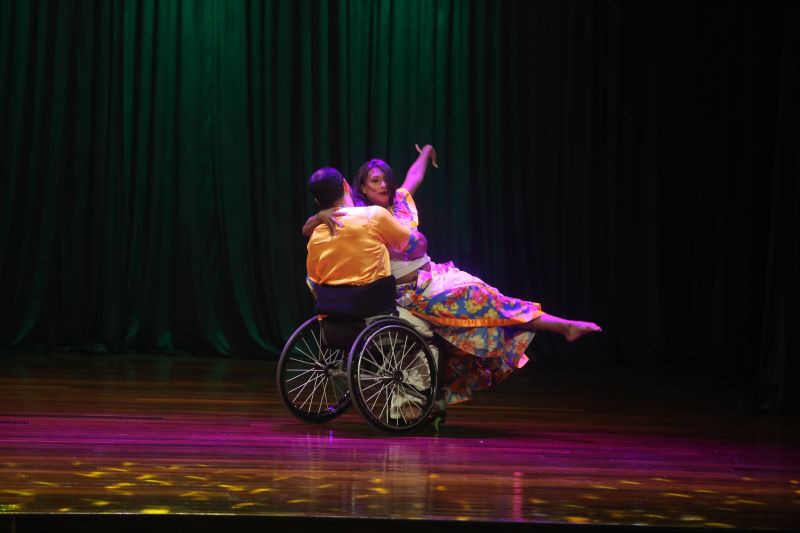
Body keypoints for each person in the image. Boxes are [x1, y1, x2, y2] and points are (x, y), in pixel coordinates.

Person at [304, 148, 602, 407]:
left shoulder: (400, 202)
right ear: (361, 188)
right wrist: (319, 217)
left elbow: (414, 176)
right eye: (375, 181)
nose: (383, 185)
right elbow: (319, 220)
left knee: (489, 296)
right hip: (410, 290)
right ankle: (563, 327)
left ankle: (561, 325)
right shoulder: (360, 211)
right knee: (484, 302)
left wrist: (425, 152)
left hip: (434, 276)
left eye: (385, 179)